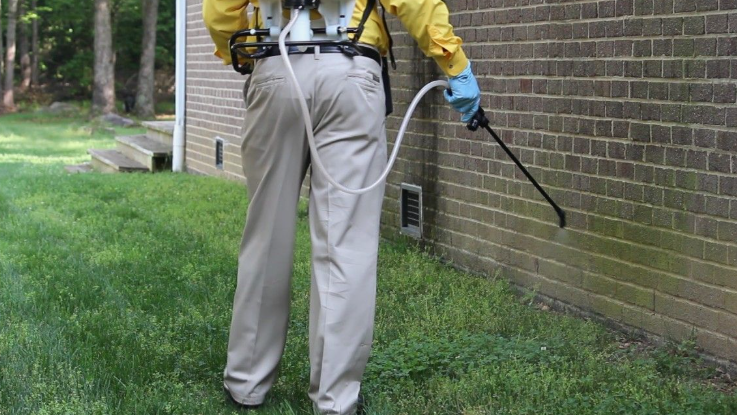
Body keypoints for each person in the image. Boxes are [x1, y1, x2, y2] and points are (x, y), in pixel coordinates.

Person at [202, 1, 480, 414]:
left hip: (276, 68)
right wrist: (456, 65)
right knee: (346, 243)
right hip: (351, 72)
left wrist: (238, 51)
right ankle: (335, 400)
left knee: (265, 237)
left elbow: (219, 11)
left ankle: (246, 385)